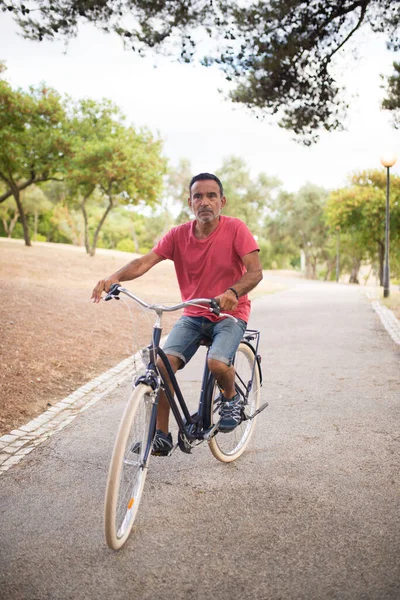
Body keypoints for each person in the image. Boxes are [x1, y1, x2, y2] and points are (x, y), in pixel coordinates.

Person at [91, 173, 263, 455]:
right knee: (161, 365)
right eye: (198, 196)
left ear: (222, 201)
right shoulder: (178, 235)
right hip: (194, 314)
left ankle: (231, 398)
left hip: (230, 314)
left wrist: (232, 292)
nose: (204, 202)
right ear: (190, 202)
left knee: (218, 363)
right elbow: (144, 261)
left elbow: (256, 272)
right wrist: (114, 277)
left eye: (211, 196)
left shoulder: (236, 229)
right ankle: (161, 435)